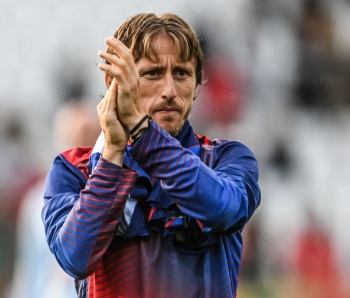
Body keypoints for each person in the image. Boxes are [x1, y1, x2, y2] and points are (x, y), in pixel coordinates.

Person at [42, 12, 261, 298]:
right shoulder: (73, 170)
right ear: (114, 83)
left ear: (196, 84)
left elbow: (224, 208)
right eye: (152, 73)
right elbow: (75, 257)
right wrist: (112, 156)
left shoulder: (227, 158)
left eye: (182, 73)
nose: (169, 90)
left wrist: (141, 132)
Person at [9, 99, 100, 298]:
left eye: (91, 136)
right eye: (76, 137)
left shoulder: (118, 194)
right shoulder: (35, 203)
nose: (82, 148)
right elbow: (29, 268)